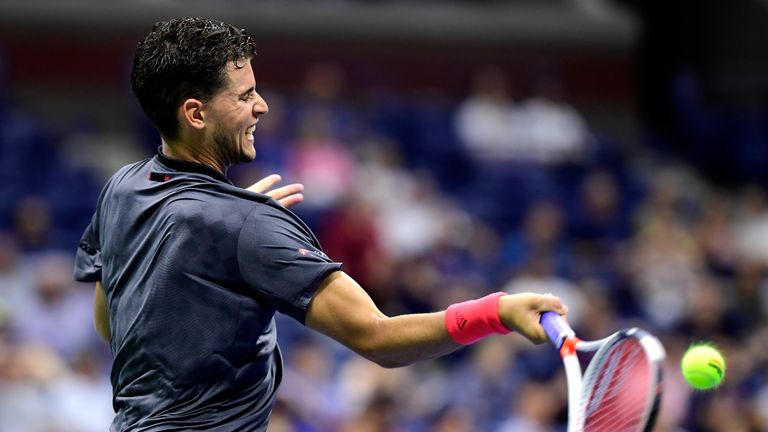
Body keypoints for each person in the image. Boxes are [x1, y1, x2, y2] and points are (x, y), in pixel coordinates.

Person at [74, 17, 569, 432]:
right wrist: (497, 312)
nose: (262, 106)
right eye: (245, 95)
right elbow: (379, 339)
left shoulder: (123, 188)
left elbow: (111, 325)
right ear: (195, 113)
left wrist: (211, 231)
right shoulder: (248, 225)